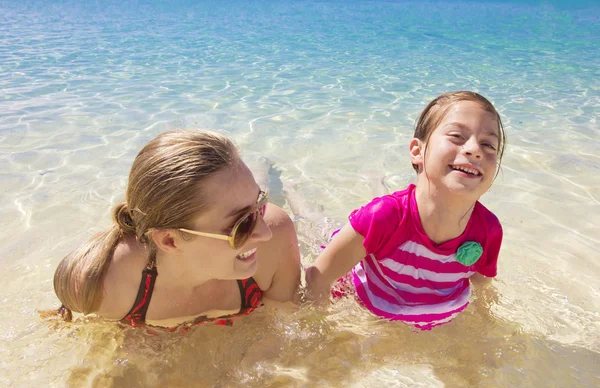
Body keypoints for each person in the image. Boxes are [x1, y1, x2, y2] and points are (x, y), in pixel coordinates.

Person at [52, 130, 301, 333]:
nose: (265, 232)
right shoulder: (103, 285)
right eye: (242, 225)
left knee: (260, 190)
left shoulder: (276, 236)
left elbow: (279, 324)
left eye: (261, 205)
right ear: (170, 240)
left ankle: (264, 174)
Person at [304, 91, 506, 330]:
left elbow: (482, 289)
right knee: (315, 221)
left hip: (389, 237)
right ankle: (292, 190)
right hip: (372, 259)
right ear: (417, 151)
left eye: (488, 144)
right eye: (457, 136)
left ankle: (376, 181)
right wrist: (321, 331)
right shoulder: (381, 217)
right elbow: (317, 278)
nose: (475, 149)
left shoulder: (488, 230)